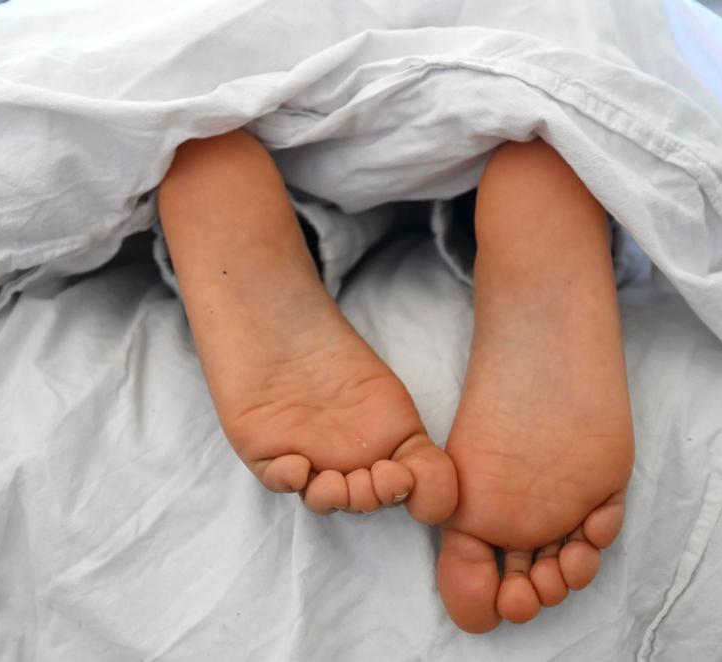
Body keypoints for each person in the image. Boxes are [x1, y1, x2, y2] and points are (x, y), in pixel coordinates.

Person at [157, 128, 634, 634]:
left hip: (304, 145)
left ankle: (243, 231)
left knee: (222, 153)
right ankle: (536, 223)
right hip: (464, 126)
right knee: (541, 146)